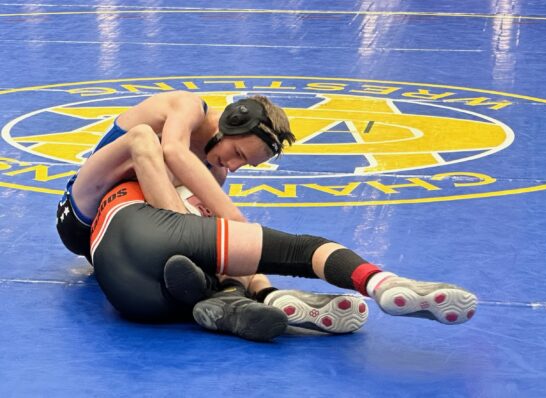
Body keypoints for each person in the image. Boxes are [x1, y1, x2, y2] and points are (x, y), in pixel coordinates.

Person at [55, 91, 368, 340]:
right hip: (81, 209)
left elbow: (219, 225)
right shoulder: (187, 106)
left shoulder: (216, 168)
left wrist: (254, 272)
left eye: (245, 165)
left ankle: (257, 294)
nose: (233, 166)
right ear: (231, 122)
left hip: (116, 240)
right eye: (239, 155)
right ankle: (201, 265)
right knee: (144, 138)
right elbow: (173, 151)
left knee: (210, 225)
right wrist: (235, 226)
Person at [90, 179, 478, 342]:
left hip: (127, 297)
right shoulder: (173, 172)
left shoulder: (97, 202)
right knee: (302, 249)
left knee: (200, 272)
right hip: (156, 231)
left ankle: (224, 298)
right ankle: (380, 282)